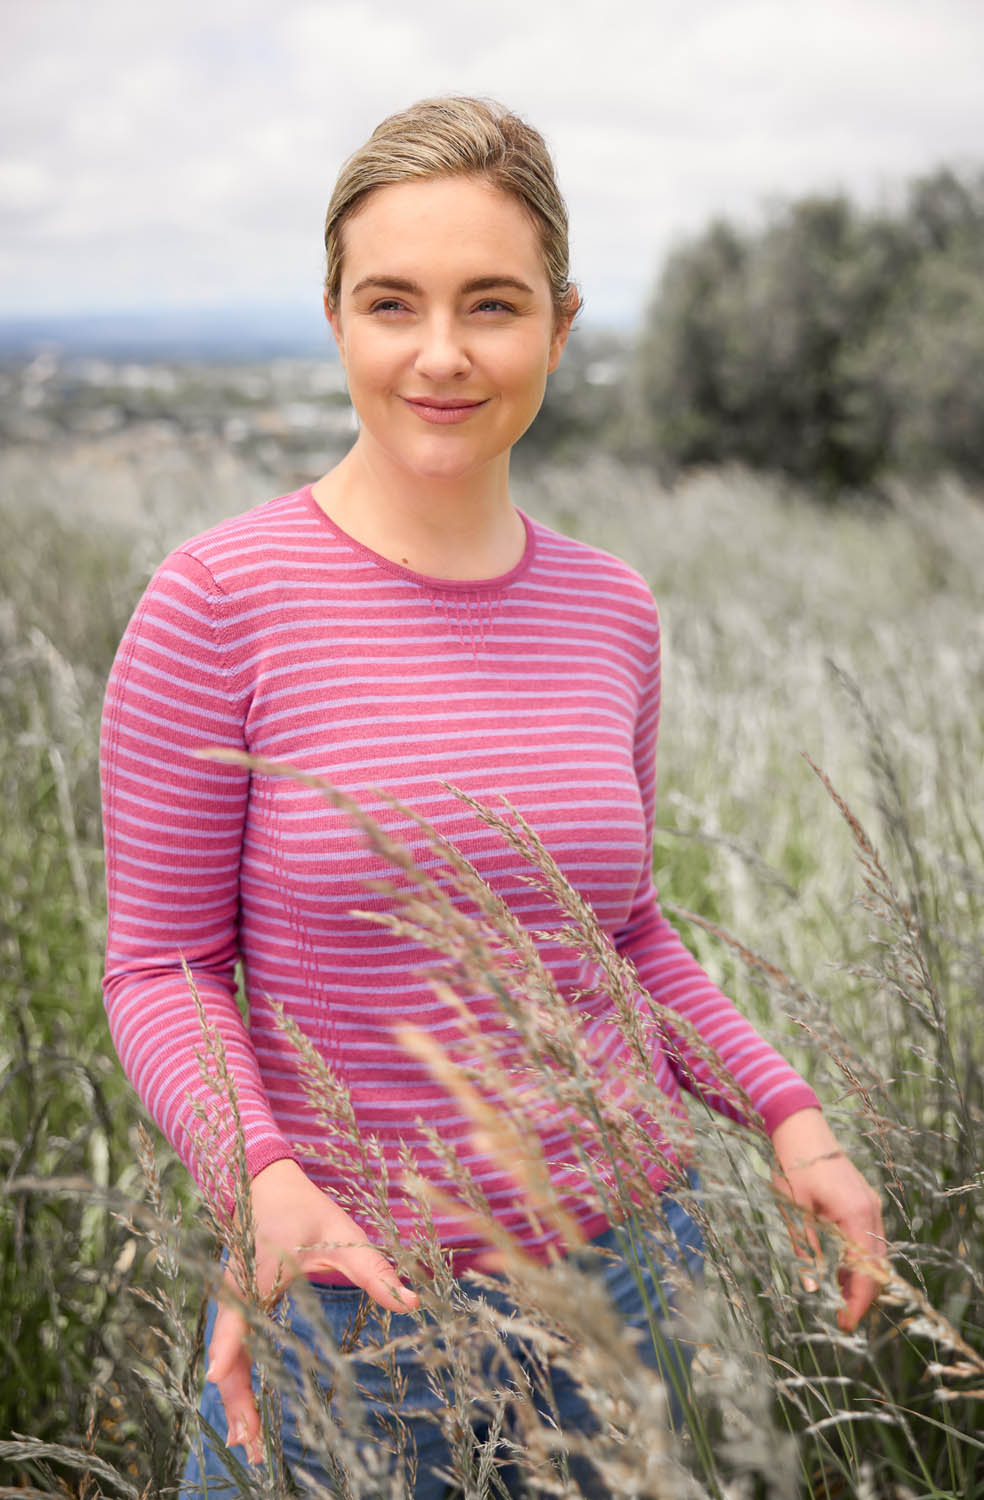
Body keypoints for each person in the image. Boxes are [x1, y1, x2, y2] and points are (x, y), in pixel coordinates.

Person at [99, 96, 887, 1498]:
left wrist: (790, 1118)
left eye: (495, 304)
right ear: (336, 315)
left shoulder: (611, 609)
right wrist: (264, 1190)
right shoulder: (217, 603)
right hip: (344, 1297)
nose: (443, 354)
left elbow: (626, 935)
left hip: (632, 1277)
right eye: (393, 303)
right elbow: (161, 969)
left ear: (562, 326)